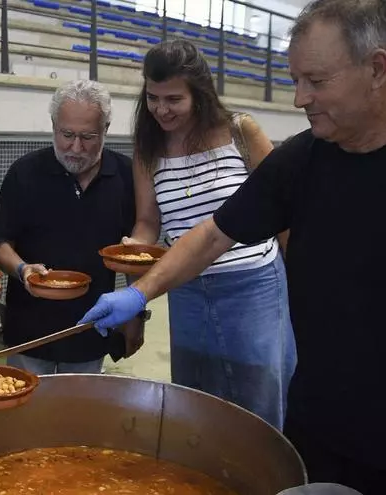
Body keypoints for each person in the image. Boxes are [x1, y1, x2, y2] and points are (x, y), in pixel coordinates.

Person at [80, 0, 386, 492]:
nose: (299, 99)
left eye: (316, 81)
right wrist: (138, 293)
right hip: (323, 421)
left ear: (376, 69)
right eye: (295, 80)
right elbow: (213, 234)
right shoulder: (302, 160)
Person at [121, 39, 296, 430]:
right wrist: (135, 252)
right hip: (187, 288)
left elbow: (283, 209)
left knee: (257, 395)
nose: (161, 109)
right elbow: (148, 221)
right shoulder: (148, 148)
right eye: (152, 98)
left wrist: (301, 280)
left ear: (199, 94)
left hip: (251, 286)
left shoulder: (239, 131)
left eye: (174, 99)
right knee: (195, 397)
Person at [0, 79, 143, 374]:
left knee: (79, 403)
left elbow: (133, 254)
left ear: (106, 130)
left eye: (88, 137)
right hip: (29, 331)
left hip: (92, 328)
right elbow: (0, 244)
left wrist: (137, 314)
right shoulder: (25, 173)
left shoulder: (126, 176)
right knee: (27, 401)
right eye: (67, 134)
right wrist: (23, 269)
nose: (76, 147)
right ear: (54, 126)